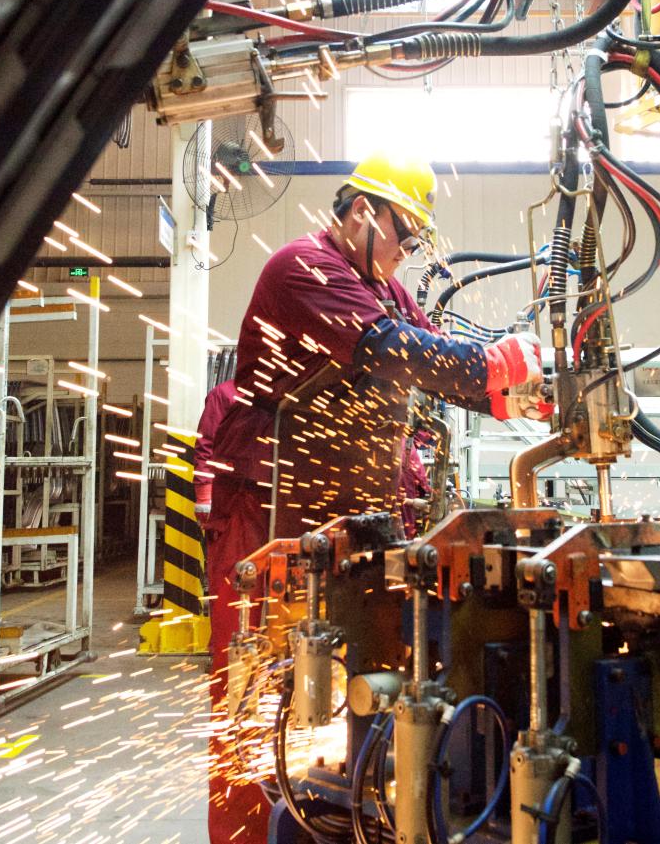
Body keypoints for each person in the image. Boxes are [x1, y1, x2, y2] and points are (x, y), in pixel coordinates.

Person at [204, 153, 545, 843]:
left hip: (341, 517)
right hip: (269, 509)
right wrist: (491, 368)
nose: (408, 251)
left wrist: (511, 387)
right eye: (406, 234)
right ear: (364, 211)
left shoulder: (382, 286)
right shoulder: (304, 267)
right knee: (253, 688)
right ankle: (242, 835)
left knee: (354, 675)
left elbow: (433, 346)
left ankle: (329, 816)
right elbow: (392, 351)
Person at [193, 377, 239, 522]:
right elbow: (206, 443)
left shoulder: (277, 392)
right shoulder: (224, 394)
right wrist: (204, 494)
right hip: (228, 493)